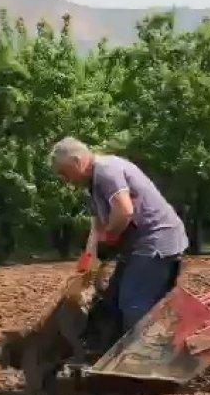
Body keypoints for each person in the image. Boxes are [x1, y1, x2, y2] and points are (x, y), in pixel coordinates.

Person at [50, 138, 188, 337]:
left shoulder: (106, 171)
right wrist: (88, 260)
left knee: (133, 303)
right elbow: (97, 225)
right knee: (110, 303)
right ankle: (109, 356)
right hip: (138, 245)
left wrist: (109, 239)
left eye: (64, 173)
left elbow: (124, 210)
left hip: (155, 241)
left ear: (77, 161)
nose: (65, 179)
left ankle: (142, 359)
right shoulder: (93, 184)